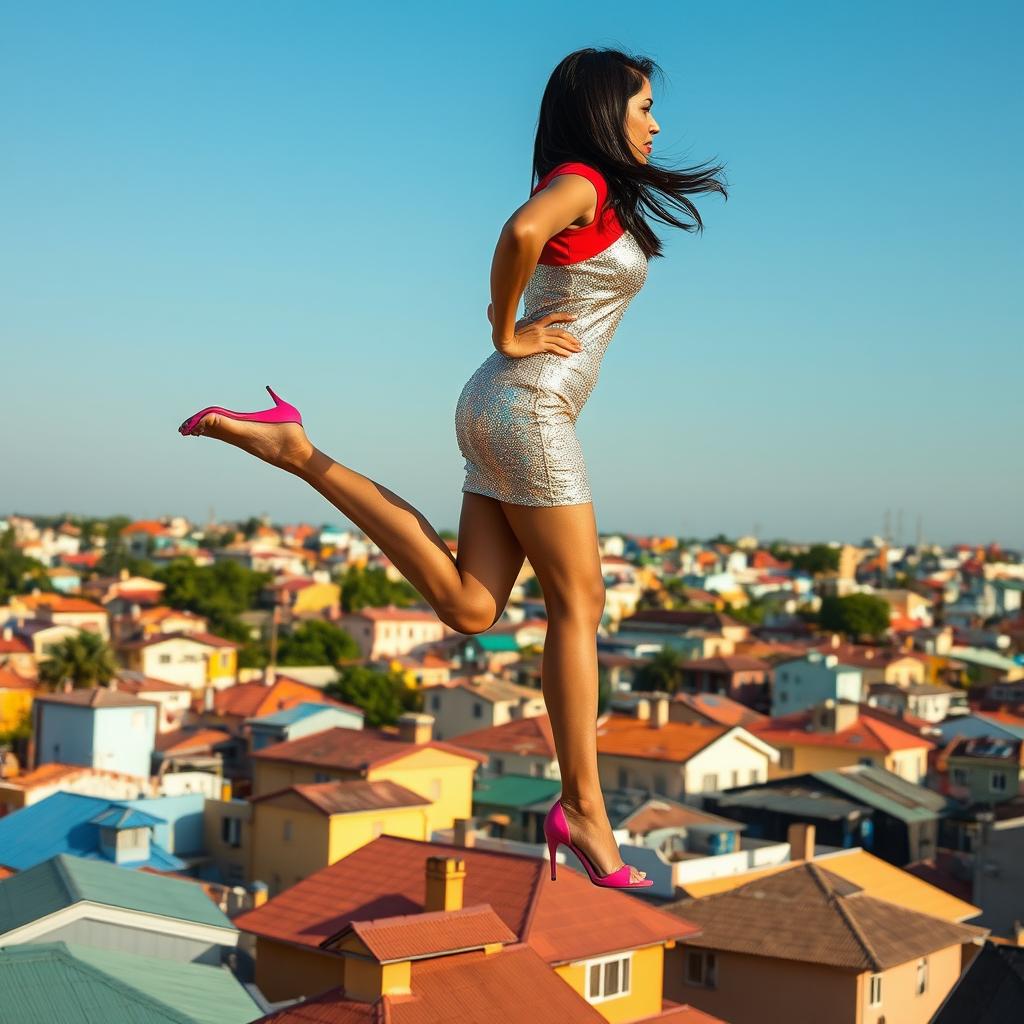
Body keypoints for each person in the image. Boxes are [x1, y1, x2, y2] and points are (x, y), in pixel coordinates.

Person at [177, 47, 726, 889]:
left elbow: (533, 243)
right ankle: (584, 808)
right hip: (527, 403)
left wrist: (507, 343)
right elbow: (520, 233)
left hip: (498, 406)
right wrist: (508, 332)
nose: (656, 123)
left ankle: (299, 450)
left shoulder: (594, 191)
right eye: (645, 105)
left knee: (473, 605)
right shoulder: (583, 179)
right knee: (580, 603)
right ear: (604, 109)